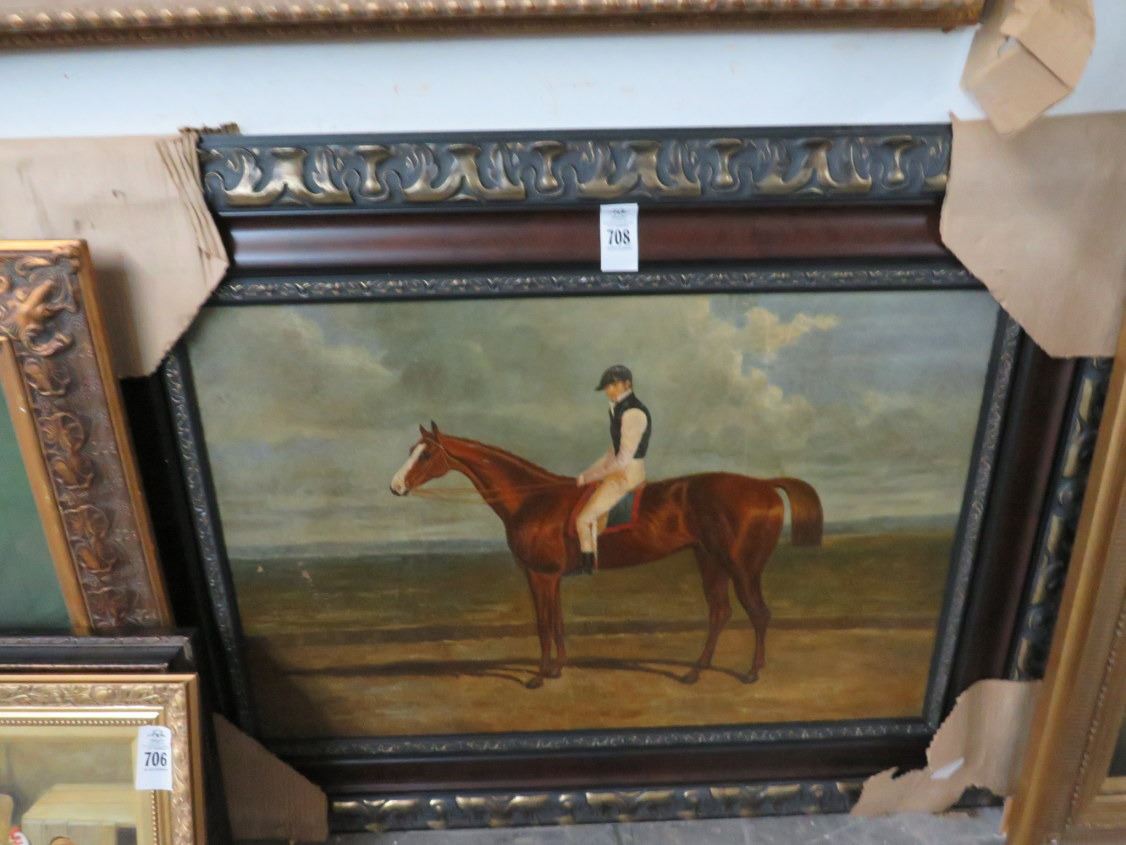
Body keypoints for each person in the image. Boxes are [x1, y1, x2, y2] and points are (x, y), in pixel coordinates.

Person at [574, 365, 651, 575]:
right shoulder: (618, 409)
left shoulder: (633, 412)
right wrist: (586, 474)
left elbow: (622, 460)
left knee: (583, 520)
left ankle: (587, 566)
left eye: (613, 385)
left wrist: (589, 477)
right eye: (607, 387)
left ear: (628, 384)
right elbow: (612, 453)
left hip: (628, 475)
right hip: (621, 471)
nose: (609, 390)